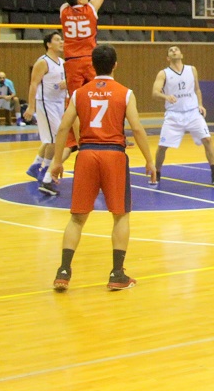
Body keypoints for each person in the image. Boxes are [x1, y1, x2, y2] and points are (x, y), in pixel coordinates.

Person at [49, 44, 155, 292]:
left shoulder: (79, 93)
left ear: (93, 66)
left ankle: (63, 271)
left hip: (86, 154)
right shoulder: (125, 93)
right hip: (113, 155)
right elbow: (137, 128)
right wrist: (149, 160)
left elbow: (63, 127)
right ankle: (117, 274)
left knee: (77, 218)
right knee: (120, 215)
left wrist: (56, 161)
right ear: (115, 65)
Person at [151, 46, 214, 187]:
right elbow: (155, 93)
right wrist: (166, 96)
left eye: (176, 49)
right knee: (162, 146)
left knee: (207, 139)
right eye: (171, 50)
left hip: (192, 112)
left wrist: (200, 104)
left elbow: (197, 89)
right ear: (168, 58)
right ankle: (157, 172)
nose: (174, 51)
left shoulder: (192, 69)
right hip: (174, 114)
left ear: (182, 55)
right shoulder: (164, 73)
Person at [24, 31, 68, 196]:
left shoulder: (62, 62)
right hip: (46, 103)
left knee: (50, 138)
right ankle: (45, 171)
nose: (61, 42)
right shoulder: (43, 62)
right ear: (48, 44)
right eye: (57, 39)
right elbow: (34, 84)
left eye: (61, 39)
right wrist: (31, 107)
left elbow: (63, 83)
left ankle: (36, 165)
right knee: (56, 139)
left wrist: (66, 83)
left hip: (59, 102)